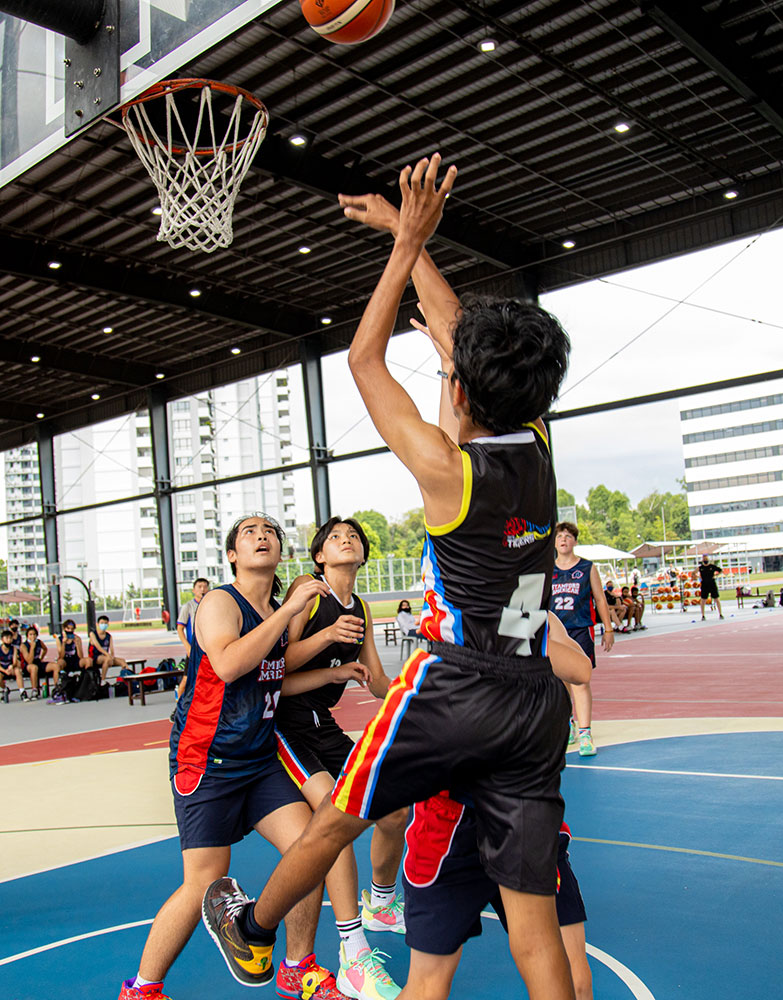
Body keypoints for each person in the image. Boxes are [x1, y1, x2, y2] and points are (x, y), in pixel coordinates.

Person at [205, 154, 577, 1000]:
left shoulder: (450, 471)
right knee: (534, 930)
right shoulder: (539, 448)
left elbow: (365, 361)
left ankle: (253, 931)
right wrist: (413, 242)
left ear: (460, 388)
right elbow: (460, 334)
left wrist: (406, 242)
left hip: (455, 688)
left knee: (337, 817)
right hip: (534, 699)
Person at [118, 514, 347, 1000]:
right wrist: (290, 612)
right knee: (204, 880)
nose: (261, 535)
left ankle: (298, 965)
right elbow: (227, 664)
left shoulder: (276, 612)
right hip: (207, 759)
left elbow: (274, 678)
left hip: (257, 759)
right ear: (232, 555)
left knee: (309, 850)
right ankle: (142, 989)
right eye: (249, 532)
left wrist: (329, 672)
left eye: (270, 531)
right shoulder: (220, 602)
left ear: (280, 551)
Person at [400, 614, 594, 1000]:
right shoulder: (455, 615)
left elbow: (580, 667)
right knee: (428, 984)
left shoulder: (534, 615)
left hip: (527, 814)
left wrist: (525, 631)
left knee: (573, 979)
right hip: (450, 825)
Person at [275, 516, 406, 999]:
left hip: (323, 725)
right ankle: (352, 955)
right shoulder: (307, 592)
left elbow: (376, 681)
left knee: (395, 807)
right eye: (335, 537)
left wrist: (420, 693)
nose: (346, 539)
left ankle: (382, 904)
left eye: (353, 536)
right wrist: (328, 637)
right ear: (319, 556)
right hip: (285, 725)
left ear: (363, 554)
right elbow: (274, 666)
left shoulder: (363, 609)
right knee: (337, 815)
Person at [550, 521, 613, 757]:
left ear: (575, 541)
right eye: (559, 536)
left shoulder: (587, 568)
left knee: (580, 680)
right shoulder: (547, 568)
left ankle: (586, 732)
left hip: (580, 629)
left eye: (568, 536)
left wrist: (608, 628)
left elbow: (600, 599)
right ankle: (569, 724)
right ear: (554, 542)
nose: (563, 540)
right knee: (560, 681)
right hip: (555, 631)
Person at [173, 578, 210, 719]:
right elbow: (180, 629)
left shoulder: (210, 605)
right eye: (199, 586)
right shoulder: (188, 607)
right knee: (186, 679)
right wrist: (187, 646)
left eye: (205, 586)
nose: (202, 589)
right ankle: (178, 709)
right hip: (194, 649)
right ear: (194, 590)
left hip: (208, 649)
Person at [49, 619, 89, 704]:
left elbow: (81, 656)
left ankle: (84, 685)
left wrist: (77, 644)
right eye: (68, 628)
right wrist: (64, 643)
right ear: (64, 629)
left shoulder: (77, 638)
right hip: (65, 660)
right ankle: (58, 689)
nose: (70, 631)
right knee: (59, 663)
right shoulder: (59, 639)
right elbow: (61, 655)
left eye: (72, 629)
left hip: (75, 660)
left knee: (88, 661)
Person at [88, 615, 128, 684]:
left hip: (106, 656)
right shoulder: (93, 634)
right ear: (98, 624)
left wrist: (112, 656)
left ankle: (123, 679)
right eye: (102, 623)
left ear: (108, 624)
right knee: (107, 659)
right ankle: (103, 680)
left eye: (105, 623)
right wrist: (108, 655)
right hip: (95, 657)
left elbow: (112, 649)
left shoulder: (109, 636)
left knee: (122, 661)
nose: (104, 625)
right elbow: (98, 647)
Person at [19, 625, 52, 700]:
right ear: (27, 636)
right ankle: (34, 690)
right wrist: (32, 648)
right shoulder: (24, 645)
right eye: (30, 634)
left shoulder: (39, 642)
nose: (33, 636)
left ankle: (58, 688)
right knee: (34, 668)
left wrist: (41, 657)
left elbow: (45, 649)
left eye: (34, 634)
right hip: (28, 665)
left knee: (55, 666)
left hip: (38, 661)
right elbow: (29, 661)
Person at [0, 628, 23, 703]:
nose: (9, 640)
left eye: (10, 638)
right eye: (7, 638)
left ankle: (22, 692)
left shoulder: (14, 649)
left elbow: (15, 661)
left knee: (18, 671)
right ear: (2, 639)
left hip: (11, 668)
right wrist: (5, 671)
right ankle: (5, 689)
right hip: (2, 669)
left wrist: (12, 666)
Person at [697, 555, 724, 620]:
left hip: (712, 584)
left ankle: (720, 614)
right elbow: (694, 572)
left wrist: (716, 575)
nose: (705, 560)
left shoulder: (712, 566)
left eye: (706, 559)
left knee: (716, 599)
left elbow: (721, 570)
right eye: (704, 559)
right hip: (704, 585)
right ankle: (703, 615)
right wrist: (698, 576)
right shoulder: (701, 568)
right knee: (703, 600)